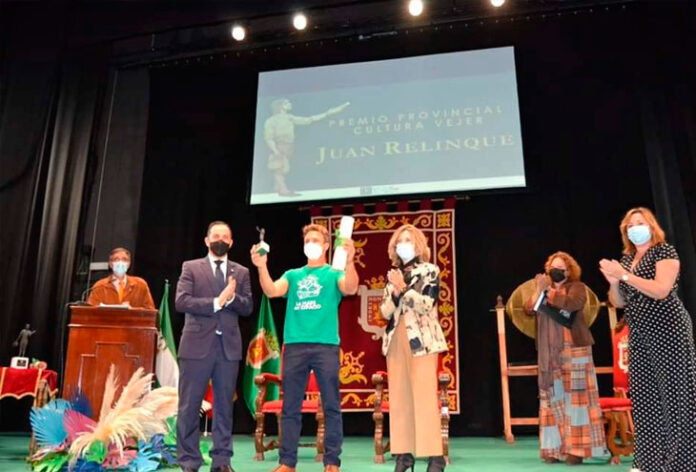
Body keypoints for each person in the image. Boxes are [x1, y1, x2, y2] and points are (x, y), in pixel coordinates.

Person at [250, 223, 358, 472]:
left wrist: (350, 261)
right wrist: (262, 266)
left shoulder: (334, 274)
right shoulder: (293, 275)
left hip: (326, 346)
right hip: (295, 346)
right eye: (307, 240)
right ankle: (287, 462)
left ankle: (332, 461)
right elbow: (271, 290)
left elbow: (351, 288)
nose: (311, 244)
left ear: (327, 245)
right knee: (290, 407)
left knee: (331, 405)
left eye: (316, 240)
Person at [600, 207, 696, 472]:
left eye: (640, 223)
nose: (635, 228)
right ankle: (648, 462)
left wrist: (624, 276)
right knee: (645, 397)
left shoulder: (664, 251)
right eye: (630, 225)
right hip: (640, 335)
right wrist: (614, 282)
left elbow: (661, 290)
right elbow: (618, 302)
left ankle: (680, 463)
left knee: (674, 396)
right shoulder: (627, 259)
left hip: (669, 331)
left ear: (652, 226)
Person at [175, 221, 253, 472]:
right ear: (207, 241)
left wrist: (231, 298)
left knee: (224, 407)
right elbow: (181, 301)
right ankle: (189, 460)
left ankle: (221, 461)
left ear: (231, 242)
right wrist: (216, 302)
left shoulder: (241, 272)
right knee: (189, 405)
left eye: (225, 236)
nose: (220, 240)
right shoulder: (190, 267)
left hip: (228, 348)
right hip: (196, 346)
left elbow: (248, 306)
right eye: (216, 236)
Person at [379, 224, 448, 472]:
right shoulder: (393, 275)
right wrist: (396, 290)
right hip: (396, 340)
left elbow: (426, 304)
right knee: (400, 400)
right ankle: (404, 455)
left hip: (422, 341)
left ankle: (435, 457)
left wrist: (403, 288)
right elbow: (385, 311)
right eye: (400, 241)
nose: (404, 244)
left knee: (424, 398)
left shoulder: (430, 270)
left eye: (408, 240)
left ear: (418, 245)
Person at [524, 251, 605, 465]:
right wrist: (539, 290)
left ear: (569, 271)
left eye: (560, 268)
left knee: (576, 400)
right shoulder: (543, 290)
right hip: (549, 353)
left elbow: (571, 304)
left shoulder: (577, 287)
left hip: (575, 350)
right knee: (552, 399)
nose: (556, 271)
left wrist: (548, 291)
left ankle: (576, 450)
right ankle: (553, 449)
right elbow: (528, 309)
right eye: (552, 267)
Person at [264, 98, 349, 196]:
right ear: (280, 106)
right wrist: (275, 150)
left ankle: (277, 187)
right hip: (279, 146)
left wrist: (327, 113)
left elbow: (309, 120)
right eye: (286, 103)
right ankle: (283, 190)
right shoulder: (271, 121)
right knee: (279, 168)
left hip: (289, 146)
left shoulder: (290, 118)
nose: (290, 104)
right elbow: (269, 138)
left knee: (283, 167)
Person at [87, 247, 155, 309]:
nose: (120, 263)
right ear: (110, 264)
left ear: (129, 264)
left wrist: (131, 310)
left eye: (124, 260)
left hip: (132, 319)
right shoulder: (99, 286)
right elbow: (90, 312)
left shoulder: (140, 285)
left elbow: (150, 312)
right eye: (116, 259)